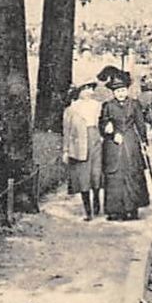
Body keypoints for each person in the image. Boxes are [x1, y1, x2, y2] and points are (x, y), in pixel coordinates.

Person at [98, 71, 150, 221]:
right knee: (114, 175)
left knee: (132, 173)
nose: (120, 94)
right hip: (113, 145)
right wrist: (109, 131)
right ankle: (115, 211)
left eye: (122, 90)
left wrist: (144, 141)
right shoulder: (107, 106)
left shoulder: (134, 104)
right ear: (113, 93)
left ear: (127, 90)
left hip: (130, 142)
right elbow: (102, 123)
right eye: (117, 91)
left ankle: (132, 209)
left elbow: (140, 124)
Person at [62, 82, 103, 220]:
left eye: (91, 89)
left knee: (96, 174)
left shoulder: (98, 105)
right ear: (79, 91)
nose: (89, 91)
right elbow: (67, 131)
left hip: (95, 141)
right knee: (83, 177)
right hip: (79, 146)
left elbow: (104, 123)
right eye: (86, 89)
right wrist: (66, 150)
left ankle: (96, 198)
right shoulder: (72, 108)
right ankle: (88, 211)